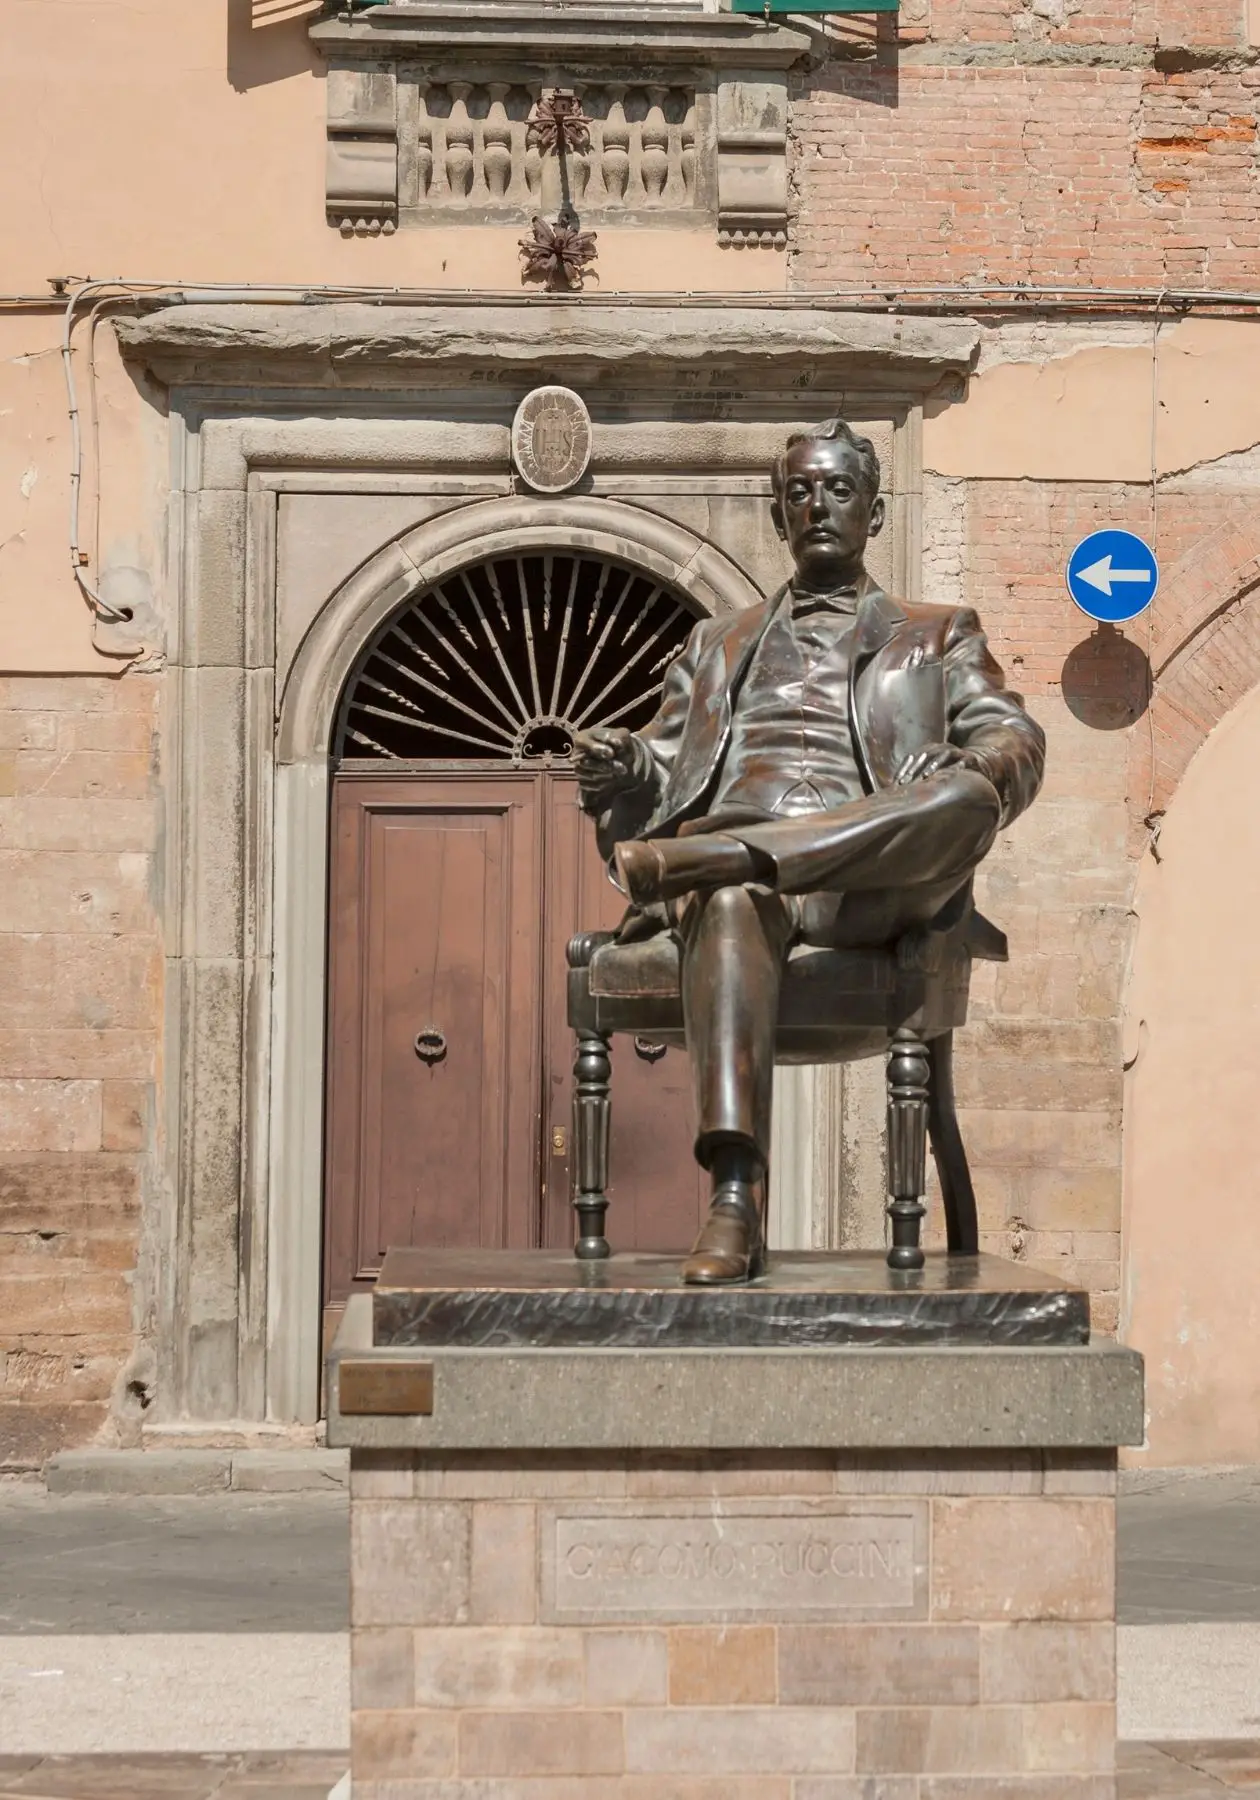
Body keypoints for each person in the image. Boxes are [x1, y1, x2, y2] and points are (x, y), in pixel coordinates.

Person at [572, 419, 1045, 1284]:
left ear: (873, 507)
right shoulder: (715, 642)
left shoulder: (938, 633)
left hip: (875, 884)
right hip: (747, 893)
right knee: (727, 896)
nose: (818, 504)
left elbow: (1016, 742)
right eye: (799, 491)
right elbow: (669, 761)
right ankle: (734, 1202)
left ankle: (731, 856)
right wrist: (625, 763)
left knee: (966, 798)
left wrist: (970, 760)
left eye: (837, 488)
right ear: (776, 512)